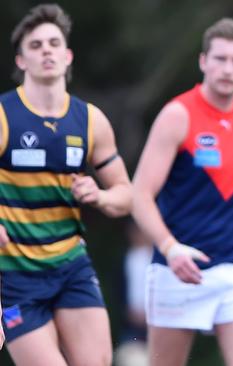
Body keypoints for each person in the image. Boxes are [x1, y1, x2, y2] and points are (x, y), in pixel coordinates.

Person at [131, 17, 233, 366]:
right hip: (179, 267)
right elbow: (140, 195)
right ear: (203, 61)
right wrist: (170, 248)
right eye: (219, 58)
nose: (227, 68)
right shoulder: (177, 115)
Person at [0, 3, 132, 365]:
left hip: (71, 265)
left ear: (68, 55)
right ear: (22, 60)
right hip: (15, 273)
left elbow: (126, 195)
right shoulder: (3, 115)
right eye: (37, 44)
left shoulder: (91, 120)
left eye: (54, 43)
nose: (47, 50)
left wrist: (101, 196)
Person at [114, 220, 152, 366]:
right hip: (132, 327)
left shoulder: (158, 261)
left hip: (157, 322)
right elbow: (118, 291)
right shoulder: (125, 260)